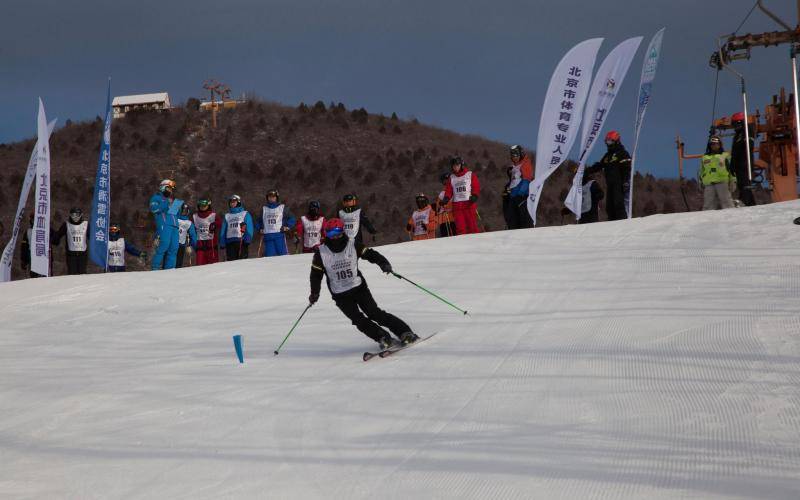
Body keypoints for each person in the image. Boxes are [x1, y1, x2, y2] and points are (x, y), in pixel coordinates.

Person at [308, 218, 419, 349]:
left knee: (374, 313)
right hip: (340, 295)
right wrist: (315, 293)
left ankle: (405, 332)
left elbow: (371, 254)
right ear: (326, 234)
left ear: (343, 231)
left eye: (337, 233)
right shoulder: (321, 253)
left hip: (358, 288)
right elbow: (315, 275)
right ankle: (382, 337)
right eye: (331, 234)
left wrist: (383, 263)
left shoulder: (353, 244)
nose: (335, 237)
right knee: (358, 320)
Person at [585, 131, 631, 221]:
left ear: (616, 141)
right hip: (610, 184)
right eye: (607, 141)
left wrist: (625, 181)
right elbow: (599, 166)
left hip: (619, 183)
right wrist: (586, 171)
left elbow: (626, 168)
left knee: (618, 204)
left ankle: (623, 223)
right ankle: (611, 224)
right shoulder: (607, 156)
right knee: (609, 207)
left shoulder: (622, 153)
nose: (608, 143)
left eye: (610, 141)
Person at [148, 179, 183, 270]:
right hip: (164, 224)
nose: (170, 191)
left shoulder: (171, 200)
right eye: (169, 188)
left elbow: (177, 214)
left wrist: (178, 207)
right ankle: (155, 268)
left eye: (172, 189)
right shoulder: (156, 197)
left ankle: (170, 269)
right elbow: (154, 209)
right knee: (164, 246)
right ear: (163, 187)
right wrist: (166, 203)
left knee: (174, 248)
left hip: (174, 225)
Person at [441, 156, 481, 235]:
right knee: (460, 228)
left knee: (472, 226)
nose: (455, 167)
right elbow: (449, 190)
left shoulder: (469, 174)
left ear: (461, 165)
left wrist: (475, 196)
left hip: (468, 204)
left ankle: (476, 244)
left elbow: (476, 186)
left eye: (457, 165)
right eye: (453, 166)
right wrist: (446, 198)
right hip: (457, 206)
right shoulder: (452, 178)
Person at [699, 135, 735, 210]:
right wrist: (700, 182)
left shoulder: (725, 156)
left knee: (727, 202)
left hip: (722, 182)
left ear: (720, 144)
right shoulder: (705, 157)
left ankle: (731, 218)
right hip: (709, 184)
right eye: (712, 144)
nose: (714, 145)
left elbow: (731, 169)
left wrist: (733, 181)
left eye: (716, 143)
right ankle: (708, 220)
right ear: (709, 145)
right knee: (708, 204)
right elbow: (701, 171)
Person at [257, 189, 296, 257]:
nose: (271, 198)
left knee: (283, 256)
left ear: (276, 197)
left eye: (273, 197)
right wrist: (260, 228)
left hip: (279, 235)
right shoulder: (264, 209)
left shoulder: (282, 207)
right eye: (270, 197)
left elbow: (292, 218)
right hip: (268, 236)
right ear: (267, 198)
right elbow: (258, 221)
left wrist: (287, 226)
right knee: (270, 257)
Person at [52, 207, 89, 275]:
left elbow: (91, 236)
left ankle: (83, 285)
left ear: (81, 215)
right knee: (72, 273)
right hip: (71, 254)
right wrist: (53, 240)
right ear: (70, 215)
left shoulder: (86, 224)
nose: (75, 217)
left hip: (82, 254)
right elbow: (58, 234)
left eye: (77, 215)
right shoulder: (66, 224)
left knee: (83, 273)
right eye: (73, 215)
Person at [730, 112, 756, 207]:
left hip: (745, 162)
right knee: (741, 183)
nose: (734, 127)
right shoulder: (737, 135)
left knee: (745, 183)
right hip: (738, 164)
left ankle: (744, 200)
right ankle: (750, 202)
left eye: (735, 124)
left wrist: (747, 142)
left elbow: (750, 144)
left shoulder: (747, 130)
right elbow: (734, 152)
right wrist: (732, 164)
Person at [504, 145, 533, 229]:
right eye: (512, 155)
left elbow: (526, 179)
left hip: (521, 197)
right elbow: (513, 182)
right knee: (512, 220)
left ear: (521, 154)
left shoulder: (525, 163)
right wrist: (508, 190)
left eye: (516, 155)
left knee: (523, 218)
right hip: (513, 197)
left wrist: (521, 194)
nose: (514, 157)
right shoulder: (514, 166)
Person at [219, 194, 254, 261]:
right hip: (230, 241)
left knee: (242, 261)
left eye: (234, 202)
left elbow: (249, 227)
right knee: (231, 262)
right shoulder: (227, 216)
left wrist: (248, 238)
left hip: (241, 240)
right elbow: (223, 230)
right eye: (231, 202)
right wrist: (222, 242)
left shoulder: (245, 213)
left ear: (238, 202)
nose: (232, 203)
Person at [20, 214, 50, 278]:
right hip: (32, 256)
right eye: (33, 220)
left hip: (43, 256)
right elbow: (24, 247)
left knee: (43, 275)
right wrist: (24, 260)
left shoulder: (45, 230)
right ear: (31, 221)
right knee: (33, 275)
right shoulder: (28, 231)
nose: (35, 222)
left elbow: (54, 239)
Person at [193, 197, 220, 265]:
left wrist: (215, 224)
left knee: (213, 265)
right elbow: (190, 228)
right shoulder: (195, 216)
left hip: (211, 245)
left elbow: (220, 224)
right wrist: (191, 244)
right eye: (201, 206)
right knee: (200, 265)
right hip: (200, 245)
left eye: (204, 206)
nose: (202, 207)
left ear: (208, 206)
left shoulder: (213, 215)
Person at [435, 173, 456, 237]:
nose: (446, 183)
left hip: (453, 218)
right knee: (445, 238)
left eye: (448, 180)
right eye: (444, 181)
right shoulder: (442, 193)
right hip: (443, 220)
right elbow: (437, 206)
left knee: (455, 235)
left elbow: (456, 203)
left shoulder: (454, 191)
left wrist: (446, 205)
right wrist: (438, 207)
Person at [176, 203, 197, 267]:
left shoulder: (189, 223)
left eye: (185, 211)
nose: (184, 212)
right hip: (172, 244)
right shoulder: (174, 219)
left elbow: (193, 236)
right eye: (183, 210)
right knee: (169, 262)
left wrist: (193, 246)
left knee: (178, 263)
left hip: (180, 245)